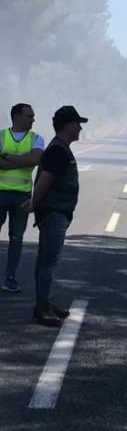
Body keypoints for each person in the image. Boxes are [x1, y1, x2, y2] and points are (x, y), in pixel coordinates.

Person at [23, 105, 86, 327]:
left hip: (55, 211)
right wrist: (34, 203)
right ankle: (42, 309)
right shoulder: (58, 150)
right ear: (67, 125)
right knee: (49, 260)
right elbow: (45, 180)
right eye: (77, 123)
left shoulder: (60, 148)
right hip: (54, 212)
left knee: (45, 260)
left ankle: (45, 302)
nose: (80, 128)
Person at [0, 103, 45, 293]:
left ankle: (10, 278)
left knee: (16, 238)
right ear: (17, 117)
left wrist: (7, 157)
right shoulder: (1, 135)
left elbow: (35, 160)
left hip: (22, 196)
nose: (33, 119)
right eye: (29, 116)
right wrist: (22, 160)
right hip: (1, 193)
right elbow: (28, 160)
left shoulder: (37, 138)